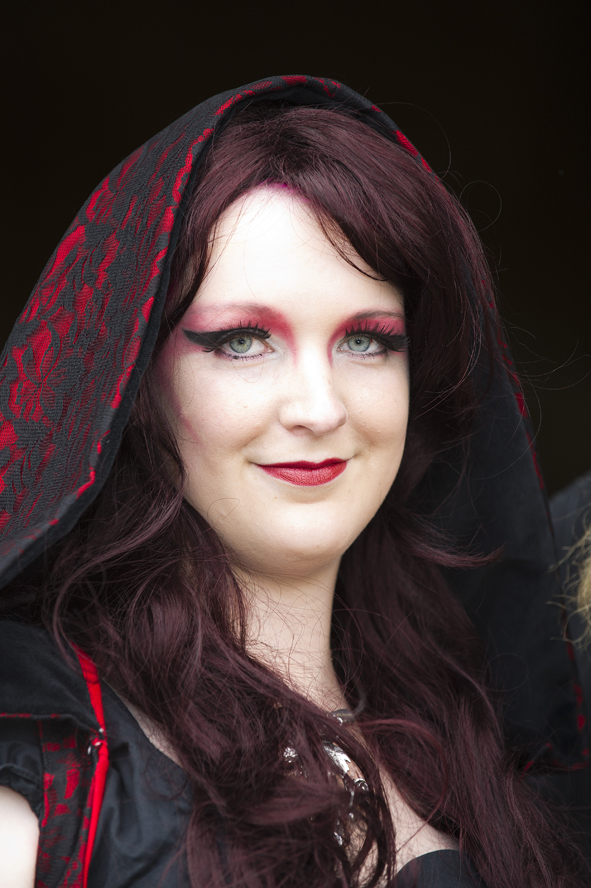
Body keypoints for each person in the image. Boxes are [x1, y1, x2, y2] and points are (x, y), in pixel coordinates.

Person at [0, 75, 587, 887]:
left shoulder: (492, 739)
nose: (318, 407)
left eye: (367, 340)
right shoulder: (43, 747)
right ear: (132, 383)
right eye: (242, 341)